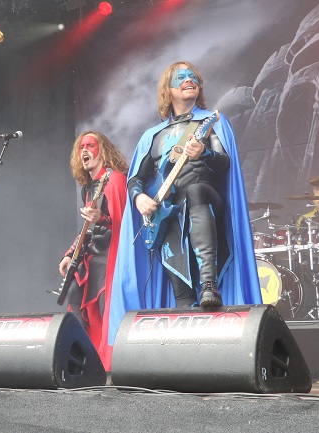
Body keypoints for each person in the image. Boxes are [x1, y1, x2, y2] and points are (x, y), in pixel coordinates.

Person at [108, 62, 261, 343]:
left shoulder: (211, 122)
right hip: (168, 218)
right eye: (181, 77)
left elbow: (225, 164)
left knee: (196, 190)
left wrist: (204, 153)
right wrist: (139, 197)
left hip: (208, 203)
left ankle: (209, 284)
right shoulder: (152, 137)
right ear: (168, 90)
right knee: (182, 300)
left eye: (193, 77)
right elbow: (136, 179)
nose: (189, 80)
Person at [58, 131, 128, 371]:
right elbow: (87, 228)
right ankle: (84, 358)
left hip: (111, 255)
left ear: (103, 150)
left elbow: (123, 225)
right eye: (81, 147)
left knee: (105, 308)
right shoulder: (87, 188)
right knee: (73, 294)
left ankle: (110, 363)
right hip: (92, 253)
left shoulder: (115, 180)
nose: (84, 150)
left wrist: (102, 218)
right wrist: (70, 253)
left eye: (90, 145)